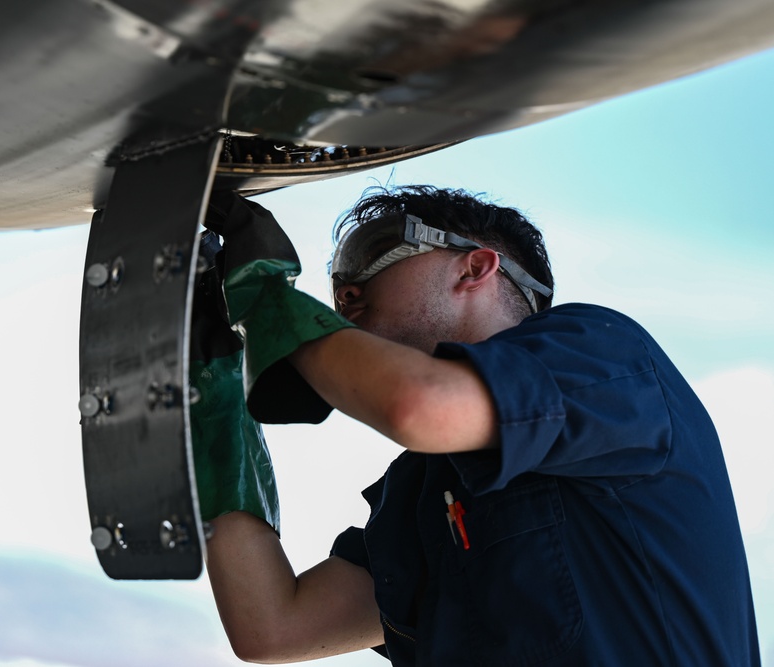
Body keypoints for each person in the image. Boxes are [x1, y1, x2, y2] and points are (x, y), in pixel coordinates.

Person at [190, 185, 760, 666]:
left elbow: (420, 407)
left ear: (475, 266)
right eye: (340, 276)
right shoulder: (422, 492)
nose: (347, 290)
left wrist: (266, 302)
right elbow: (273, 628)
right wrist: (214, 389)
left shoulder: (603, 354)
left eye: (377, 253)